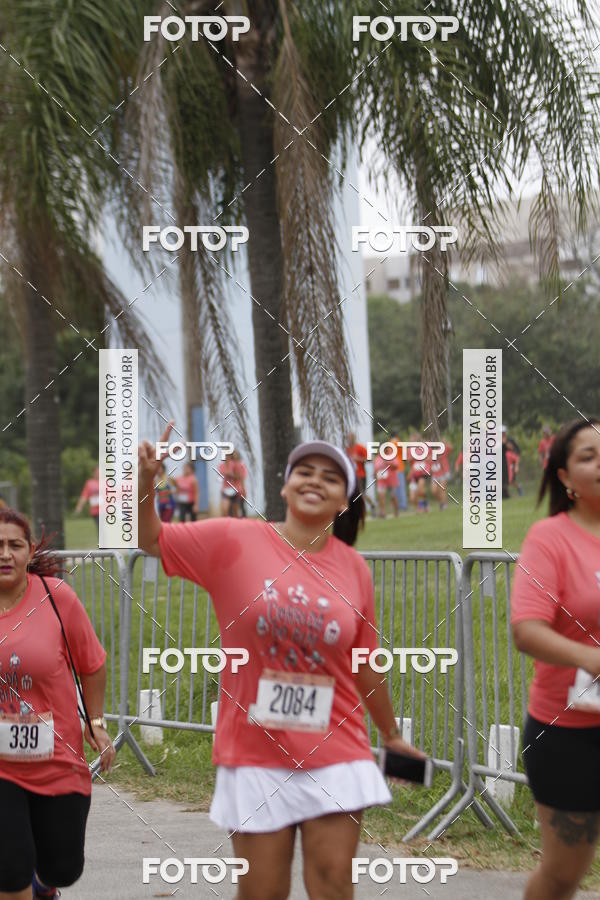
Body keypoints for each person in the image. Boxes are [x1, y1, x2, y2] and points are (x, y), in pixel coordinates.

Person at [138, 424, 424, 900]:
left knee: (333, 884)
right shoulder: (232, 539)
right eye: (304, 471)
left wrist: (391, 734)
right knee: (262, 892)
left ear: (344, 501)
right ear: (285, 487)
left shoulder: (354, 568)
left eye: (331, 478)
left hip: (336, 746)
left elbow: (364, 661)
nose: (315, 481)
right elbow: (151, 540)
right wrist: (147, 483)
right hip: (255, 752)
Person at [0, 508, 115, 900]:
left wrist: (96, 722)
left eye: (15, 545)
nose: (5, 554)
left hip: (58, 758)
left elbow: (93, 664)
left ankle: (43, 885)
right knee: (10, 869)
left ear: (30, 551)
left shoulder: (55, 598)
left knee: (62, 867)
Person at [511, 418, 600, 900]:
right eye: (589, 456)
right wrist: (594, 659)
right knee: (564, 874)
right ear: (564, 476)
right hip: (569, 735)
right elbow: (527, 629)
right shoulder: (550, 538)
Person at [345, 433, 375, 514]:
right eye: (348, 438)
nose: (349, 440)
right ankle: (353, 512)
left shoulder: (360, 448)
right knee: (352, 494)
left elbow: (370, 459)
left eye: (350, 438)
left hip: (361, 475)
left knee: (362, 494)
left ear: (354, 438)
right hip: (351, 476)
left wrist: (358, 459)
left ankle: (371, 506)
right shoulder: (347, 449)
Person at [218, 450, 248, 518]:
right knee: (225, 511)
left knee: (236, 512)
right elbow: (222, 473)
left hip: (237, 490)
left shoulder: (240, 465)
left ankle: (238, 522)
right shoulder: (223, 465)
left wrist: (243, 490)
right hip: (226, 490)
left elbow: (241, 477)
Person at [407, 432, 431, 512]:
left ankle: (421, 507)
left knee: (420, 488)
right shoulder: (409, 450)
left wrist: (425, 459)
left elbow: (430, 456)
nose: (411, 440)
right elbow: (408, 461)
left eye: (413, 438)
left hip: (423, 472)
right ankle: (425, 504)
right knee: (412, 498)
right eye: (411, 439)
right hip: (414, 473)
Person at [373, 449, 399, 518]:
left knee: (393, 496)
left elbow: (396, 466)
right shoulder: (378, 458)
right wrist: (374, 473)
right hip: (381, 480)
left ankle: (396, 510)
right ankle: (382, 512)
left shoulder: (392, 456)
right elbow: (376, 468)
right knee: (381, 496)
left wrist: (387, 462)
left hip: (391, 479)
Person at [430, 438, 452, 510]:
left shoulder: (443, 449)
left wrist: (445, 442)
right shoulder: (430, 452)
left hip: (443, 472)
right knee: (434, 491)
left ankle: (444, 504)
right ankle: (442, 502)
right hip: (435, 474)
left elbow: (450, 447)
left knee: (442, 489)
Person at [391, 435, 408, 511]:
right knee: (401, 488)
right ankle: (402, 505)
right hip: (399, 468)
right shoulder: (398, 443)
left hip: (394, 469)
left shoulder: (390, 444)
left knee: (395, 489)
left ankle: (398, 505)